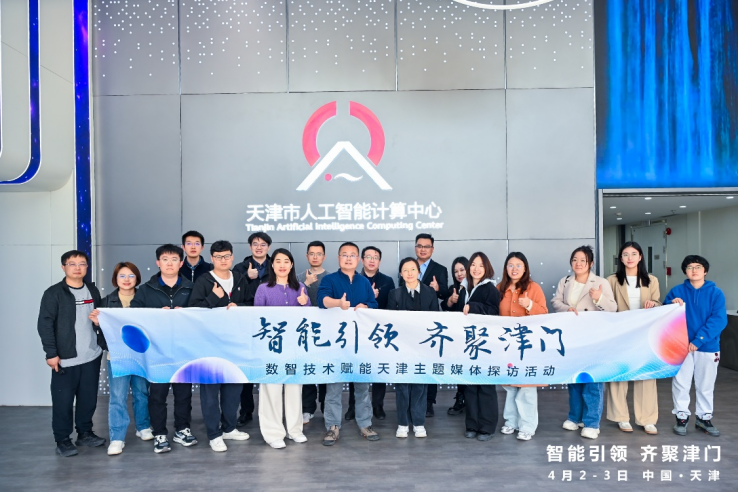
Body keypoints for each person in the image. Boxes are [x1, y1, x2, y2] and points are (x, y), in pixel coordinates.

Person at [37, 250, 106, 457]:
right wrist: (51, 353)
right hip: (65, 358)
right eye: (72, 264)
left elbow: (100, 318)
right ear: (63, 267)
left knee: (88, 399)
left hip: (91, 355)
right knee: (63, 402)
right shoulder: (54, 293)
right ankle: (63, 440)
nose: (77, 268)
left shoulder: (92, 290)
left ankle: (85, 433)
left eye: (82, 263)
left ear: (87, 267)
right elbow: (45, 325)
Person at [131, 244, 196, 453]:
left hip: (183, 350)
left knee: (183, 394)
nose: (170, 263)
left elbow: (202, 315)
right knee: (157, 395)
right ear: (158, 263)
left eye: (174, 259)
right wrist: (156, 315)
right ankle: (159, 433)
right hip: (156, 351)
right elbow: (134, 316)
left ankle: (182, 430)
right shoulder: (146, 290)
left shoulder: (191, 288)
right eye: (165, 259)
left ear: (181, 263)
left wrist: (186, 312)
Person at [188, 240, 251, 452]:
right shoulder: (204, 280)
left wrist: (239, 306)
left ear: (232, 257)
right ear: (212, 258)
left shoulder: (240, 278)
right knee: (210, 391)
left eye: (226, 256)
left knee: (233, 388)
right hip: (210, 344)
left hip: (236, 344)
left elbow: (252, 304)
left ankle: (229, 428)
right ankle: (214, 434)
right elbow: (193, 310)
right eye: (218, 257)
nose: (223, 260)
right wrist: (214, 298)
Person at [552, 245, 617, 440]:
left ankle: (591, 423)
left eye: (583, 260)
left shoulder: (601, 282)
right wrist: (566, 309)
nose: (578, 263)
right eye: (575, 260)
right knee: (574, 380)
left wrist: (599, 298)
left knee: (592, 381)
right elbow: (555, 302)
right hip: (572, 336)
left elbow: (612, 308)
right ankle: (575, 417)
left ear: (591, 263)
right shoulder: (565, 281)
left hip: (593, 338)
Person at [317, 242, 379, 446]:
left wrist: (366, 305)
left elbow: (374, 304)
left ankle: (365, 424)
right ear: (338, 258)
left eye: (353, 255)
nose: (349, 258)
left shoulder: (364, 282)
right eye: (345, 255)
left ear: (358, 259)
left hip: (360, 344)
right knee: (334, 388)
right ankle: (332, 426)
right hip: (336, 344)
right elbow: (322, 300)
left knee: (362, 387)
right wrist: (338, 304)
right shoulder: (329, 279)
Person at [89, 262, 153, 456]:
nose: (126, 280)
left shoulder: (146, 298)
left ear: (137, 278)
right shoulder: (107, 302)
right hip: (117, 356)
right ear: (115, 279)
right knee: (117, 396)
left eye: (131, 275)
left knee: (142, 392)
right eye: (122, 276)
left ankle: (143, 426)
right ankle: (117, 437)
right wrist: (98, 324)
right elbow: (101, 334)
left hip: (141, 355)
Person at [254, 248, 311, 449]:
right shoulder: (263, 289)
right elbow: (257, 320)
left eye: (286, 261)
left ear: (292, 264)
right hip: (271, 348)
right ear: (272, 265)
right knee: (272, 389)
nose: (282, 265)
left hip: (294, 347)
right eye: (278, 261)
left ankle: (295, 430)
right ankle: (273, 433)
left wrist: (305, 304)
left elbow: (309, 320)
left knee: (294, 388)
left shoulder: (300, 288)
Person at [665, 255, 727, 437]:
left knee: (705, 384)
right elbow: (664, 314)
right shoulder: (677, 291)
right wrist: (670, 304)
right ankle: (681, 417)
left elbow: (719, 320)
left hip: (708, 346)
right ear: (685, 271)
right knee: (680, 383)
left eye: (698, 267)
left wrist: (699, 339)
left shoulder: (716, 293)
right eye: (690, 267)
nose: (694, 270)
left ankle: (704, 418)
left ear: (705, 271)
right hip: (681, 346)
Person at [606, 242, 662, 435]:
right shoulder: (612, 280)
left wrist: (653, 304)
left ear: (640, 257)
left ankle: (647, 419)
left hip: (644, 334)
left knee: (646, 376)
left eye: (634, 254)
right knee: (619, 374)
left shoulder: (651, 280)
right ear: (620, 258)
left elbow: (658, 303)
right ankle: (621, 417)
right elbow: (608, 307)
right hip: (620, 335)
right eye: (625, 254)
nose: (629, 258)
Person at [497, 252, 548, 441]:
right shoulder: (500, 288)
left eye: (518, 265)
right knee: (510, 386)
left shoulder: (534, 288)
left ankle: (527, 426)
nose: (514, 269)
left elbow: (544, 313)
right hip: (507, 346)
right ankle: (511, 422)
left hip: (527, 346)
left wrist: (530, 305)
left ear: (525, 268)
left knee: (526, 387)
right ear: (506, 268)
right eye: (510, 265)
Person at [387, 258, 439, 438]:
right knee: (402, 386)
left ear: (419, 271)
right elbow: (389, 322)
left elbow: (435, 319)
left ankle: (418, 422)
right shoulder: (394, 294)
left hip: (423, 347)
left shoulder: (430, 292)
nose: (409, 273)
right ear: (401, 274)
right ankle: (402, 423)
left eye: (413, 269)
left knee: (420, 385)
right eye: (405, 270)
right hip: (401, 347)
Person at [451, 251, 501, 441]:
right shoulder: (464, 288)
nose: (476, 268)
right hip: (467, 343)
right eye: (473, 265)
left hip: (485, 343)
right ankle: (471, 424)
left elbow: (494, 311)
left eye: (480, 265)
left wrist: (474, 307)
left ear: (486, 268)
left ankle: (487, 427)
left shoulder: (490, 288)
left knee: (485, 386)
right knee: (470, 385)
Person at [400, 233, 449, 417]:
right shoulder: (407, 266)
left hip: (428, 326)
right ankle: (409, 403)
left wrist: (437, 289)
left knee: (428, 363)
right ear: (415, 248)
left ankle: (429, 402)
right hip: (407, 328)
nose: (422, 249)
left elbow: (445, 294)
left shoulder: (440, 269)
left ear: (432, 249)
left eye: (426, 246)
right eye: (419, 246)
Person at [344, 246, 395, 421]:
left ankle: (378, 405)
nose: (372, 260)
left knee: (379, 369)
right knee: (356, 368)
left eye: (376, 257)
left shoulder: (387, 281)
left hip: (379, 331)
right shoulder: (353, 279)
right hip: (357, 330)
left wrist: (374, 300)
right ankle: (353, 406)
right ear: (362, 260)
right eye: (368, 257)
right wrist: (367, 296)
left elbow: (391, 306)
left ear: (379, 261)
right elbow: (347, 304)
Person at [233, 231, 273, 427]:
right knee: (247, 369)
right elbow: (233, 292)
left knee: (270, 367)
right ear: (250, 247)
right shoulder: (240, 268)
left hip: (272, 325)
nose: (259, 247)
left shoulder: (276, 265)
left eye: (263, 244)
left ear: (268, 247)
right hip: (247, 323)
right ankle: (246, 411)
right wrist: (246, 278)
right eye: (255, 244)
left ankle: (271, 412)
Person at [297, 241, 330, 424]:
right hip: (304, 330)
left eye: (319, 254)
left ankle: (326, 408)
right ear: (307, 256)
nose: (315, 257)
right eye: (312, 253)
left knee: (325, 370)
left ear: (324, 256)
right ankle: (307, 409)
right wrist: (305, 285)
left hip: (326, 331)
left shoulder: (330, 278)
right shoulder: (298, 277)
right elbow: (293, 299)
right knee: (307, 370)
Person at [445, 256, 468, 415]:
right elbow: (445, 308)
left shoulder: (474, 288)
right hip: (457, 336)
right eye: (456, 271)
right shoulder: (453, 288)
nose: (459, 274)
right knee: (460, 367)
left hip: (473, 335)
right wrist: (450, 301)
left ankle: (470, 400)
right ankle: (461, 398)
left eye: (462, 270)